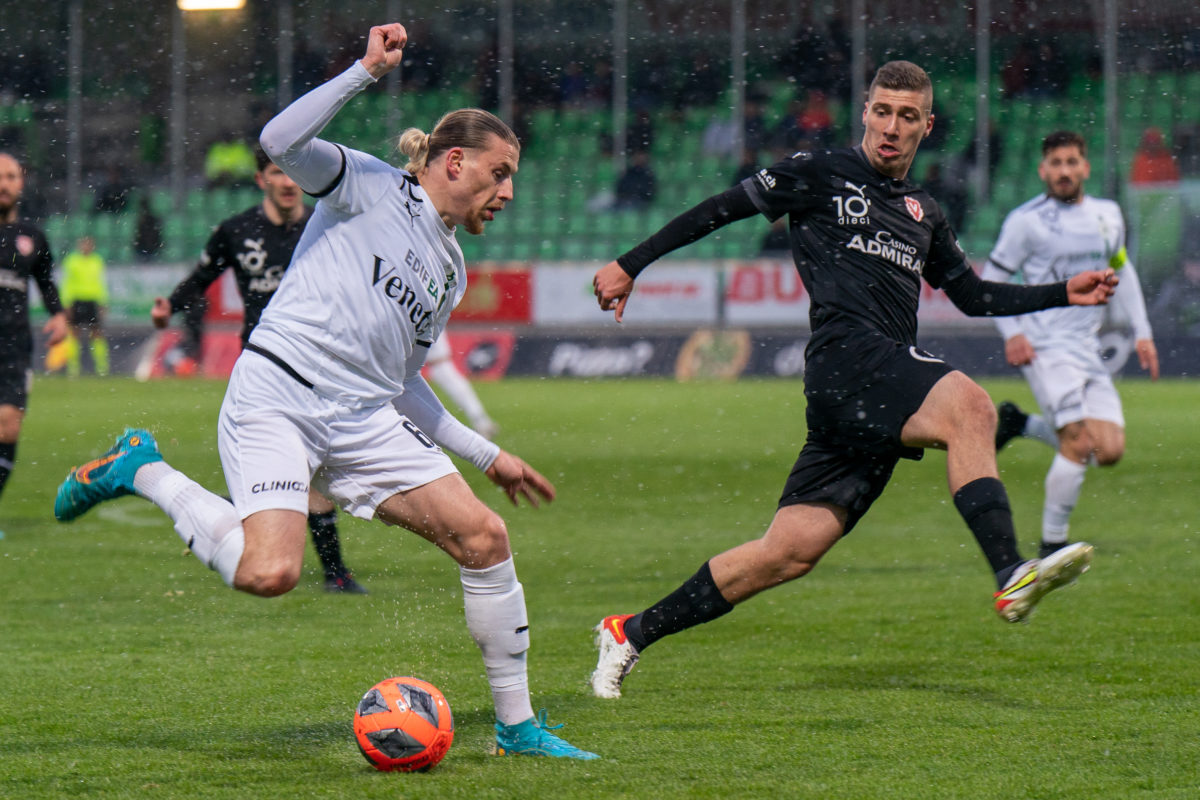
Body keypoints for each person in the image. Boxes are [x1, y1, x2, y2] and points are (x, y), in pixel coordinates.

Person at [54, 23, 597, 760]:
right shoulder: (368, 184)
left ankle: (518, 727)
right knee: (270, 573)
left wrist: (486, 453)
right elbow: (279, 140)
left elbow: (404, 384)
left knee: (485, 538)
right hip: (279, 393)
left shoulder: (451, 270)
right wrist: (364, 72)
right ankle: (140, 468)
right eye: (500, 173)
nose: (508, 190)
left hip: (363, 418)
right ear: (456, 160)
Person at [589, 61, 1118, 700]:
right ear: (864, 112)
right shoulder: (817, 171)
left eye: (906, 116)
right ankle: (1010, 570)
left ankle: (630, 632)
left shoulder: (925, 211)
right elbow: (723, 208)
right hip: (846, 361)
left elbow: (973, 296)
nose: (891, 127)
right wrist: (630, 263)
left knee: (788, 551)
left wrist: (1064, 290)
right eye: (881, 112)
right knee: (971, 407)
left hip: (870, 386)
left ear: (928, 125)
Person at [149, 146, 365, 594]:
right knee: (304, 464)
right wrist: (170, 304)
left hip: (323, 362)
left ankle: (218, 518)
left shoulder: (327, 225)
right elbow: (202, 278)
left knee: (310, 465)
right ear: (260, 178)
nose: (288, 183)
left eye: (293, 175)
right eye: (276, 173)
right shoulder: (237, 231)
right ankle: (335, 573)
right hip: (264, 365)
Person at [984, 130, 1159, 559]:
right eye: (1056, 164)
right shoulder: (1026, 221)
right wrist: (1015, 333)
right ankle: (1051, 549)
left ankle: (1020, 424)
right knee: (1079, 444)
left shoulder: (1108, 215)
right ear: (1043, 170)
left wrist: (1143, 331)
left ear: (1085, 167)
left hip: (1086, 344)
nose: (1064, 171)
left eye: (1071, 162)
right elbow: (991, 279)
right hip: (1045, 345)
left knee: (1109, 451)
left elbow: (1123, 268)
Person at [0, 152, 69, 530]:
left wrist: (58, 316)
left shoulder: (32, 237)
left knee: (8, 428)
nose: (4, 183)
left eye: (11, 176)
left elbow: (45, 282)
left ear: (21, 183)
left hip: (13, 347)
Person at [59, 236, 110, 377]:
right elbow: (67, 283)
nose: (86, 247)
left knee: (97, 333)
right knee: (74, 332)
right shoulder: (71, 261)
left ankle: (102, 367)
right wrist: (66, 303)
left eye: (89, 245)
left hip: (92, 300)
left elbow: (101, 283)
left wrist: (103, 302)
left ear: (93, 246)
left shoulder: (97, 261)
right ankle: (73, 368)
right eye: (84, 244)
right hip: (77, 300)